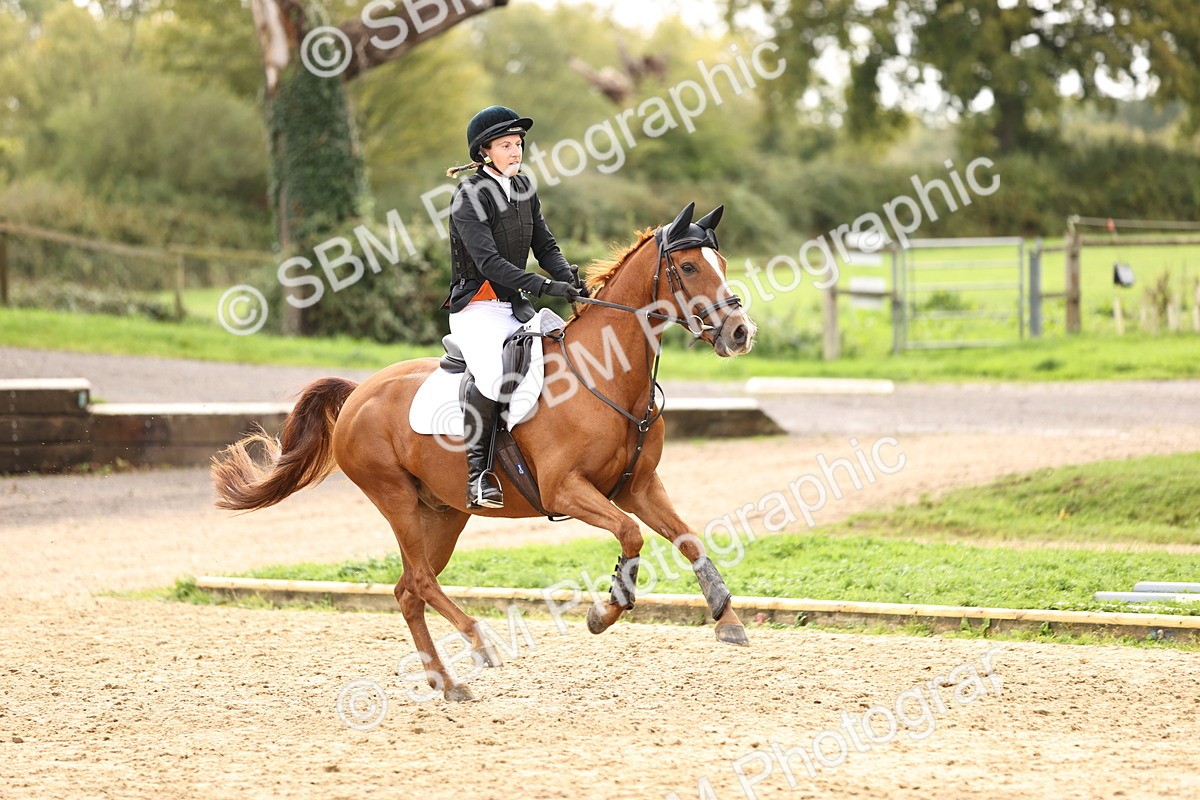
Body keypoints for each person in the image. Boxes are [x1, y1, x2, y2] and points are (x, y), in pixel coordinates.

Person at [443, 105, 582, 509]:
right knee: (493, 380)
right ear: (484, 152)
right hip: (476, 309)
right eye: (505, 145)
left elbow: (546, 246)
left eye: (518, 143)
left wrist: (571, 282)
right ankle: (477, 475)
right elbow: (489, 263)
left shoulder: (523, 188)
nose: (515, 151)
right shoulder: (468, 196)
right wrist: (544, 286)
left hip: (514, 308)